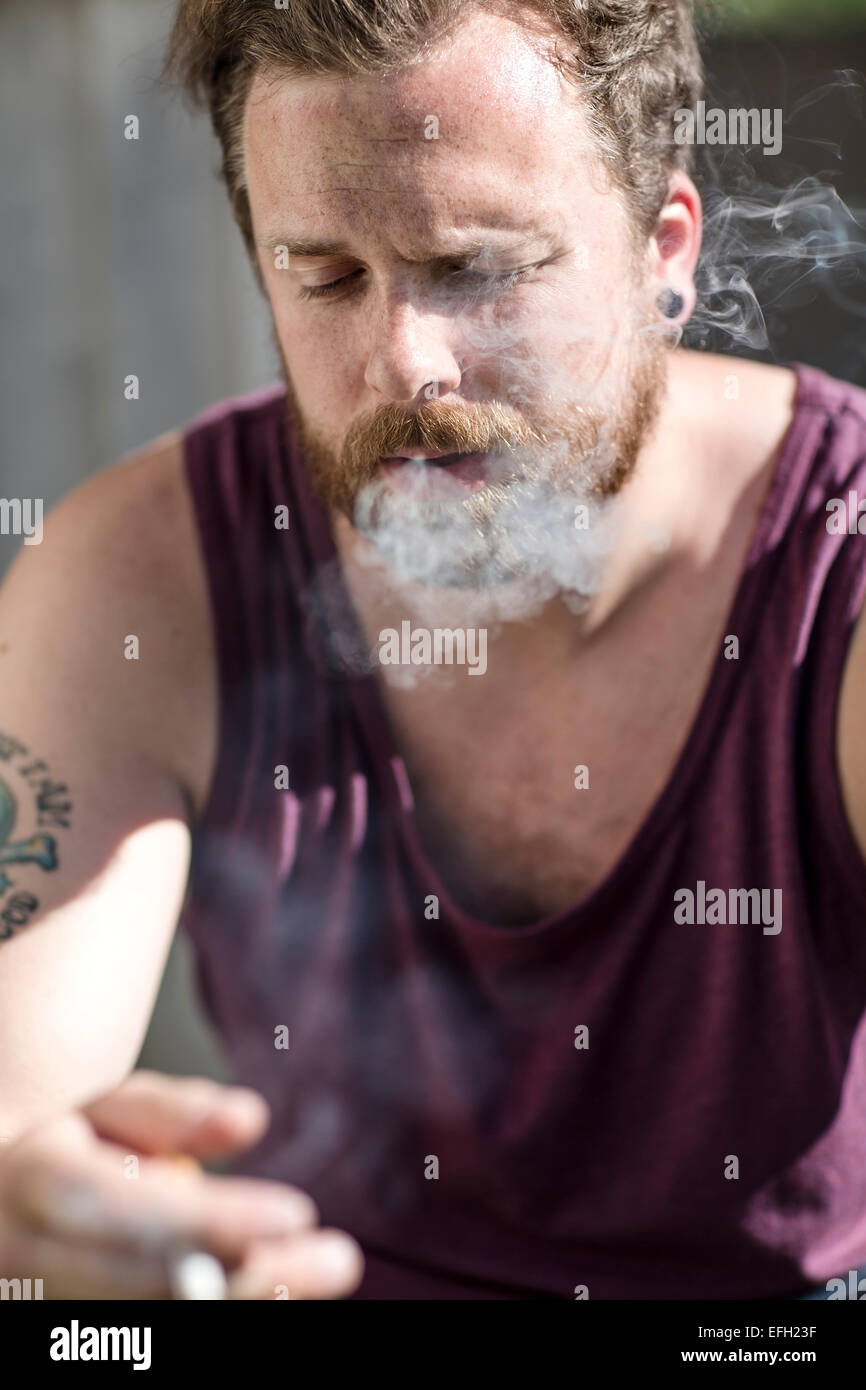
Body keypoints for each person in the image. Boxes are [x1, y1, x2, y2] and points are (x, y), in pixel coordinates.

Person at [1, 0, 866, 1301]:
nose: (406, 361)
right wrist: (48, 1217)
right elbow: (21, 1103)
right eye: (326, 275)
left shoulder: (838, 564)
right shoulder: (140, 575)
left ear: (660, 251)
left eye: (476, 267)